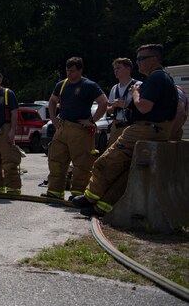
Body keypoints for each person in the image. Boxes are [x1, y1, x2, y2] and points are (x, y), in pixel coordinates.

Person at [72, 44, 177, 217]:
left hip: (144, 128)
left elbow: (143, 106)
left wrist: (135, 93)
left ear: (154, 59)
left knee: (106, 162)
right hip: (157, 129)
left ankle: (90, 197)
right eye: (137, 59)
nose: (138, 63)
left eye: (142, 59)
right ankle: (102, 207)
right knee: (126, 172)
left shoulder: (155, 78)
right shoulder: (165, 78)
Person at [41, 57, 107, 201]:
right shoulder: (62, 85)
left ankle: (78, 193)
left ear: (80, 70)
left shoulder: (89, 85)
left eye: (72, 71)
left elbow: (103, 102)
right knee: (56, 159)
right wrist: (53, 119)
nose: (69, 74)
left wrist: (91, 121)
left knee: (82, 163)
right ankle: (55, 191)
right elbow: (52, 101)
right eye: (67, 70)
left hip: (80, 130)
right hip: (63, 127)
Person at [107, 58, 140, 145]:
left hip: (132, 125)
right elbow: (108, 109)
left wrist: (125, 105)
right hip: (116, 125)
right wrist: (113, 106)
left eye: (118, 68)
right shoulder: (114, 88)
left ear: (128, 69)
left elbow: (143, 107)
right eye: (114, 69)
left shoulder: (138, 85)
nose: (116, 71)